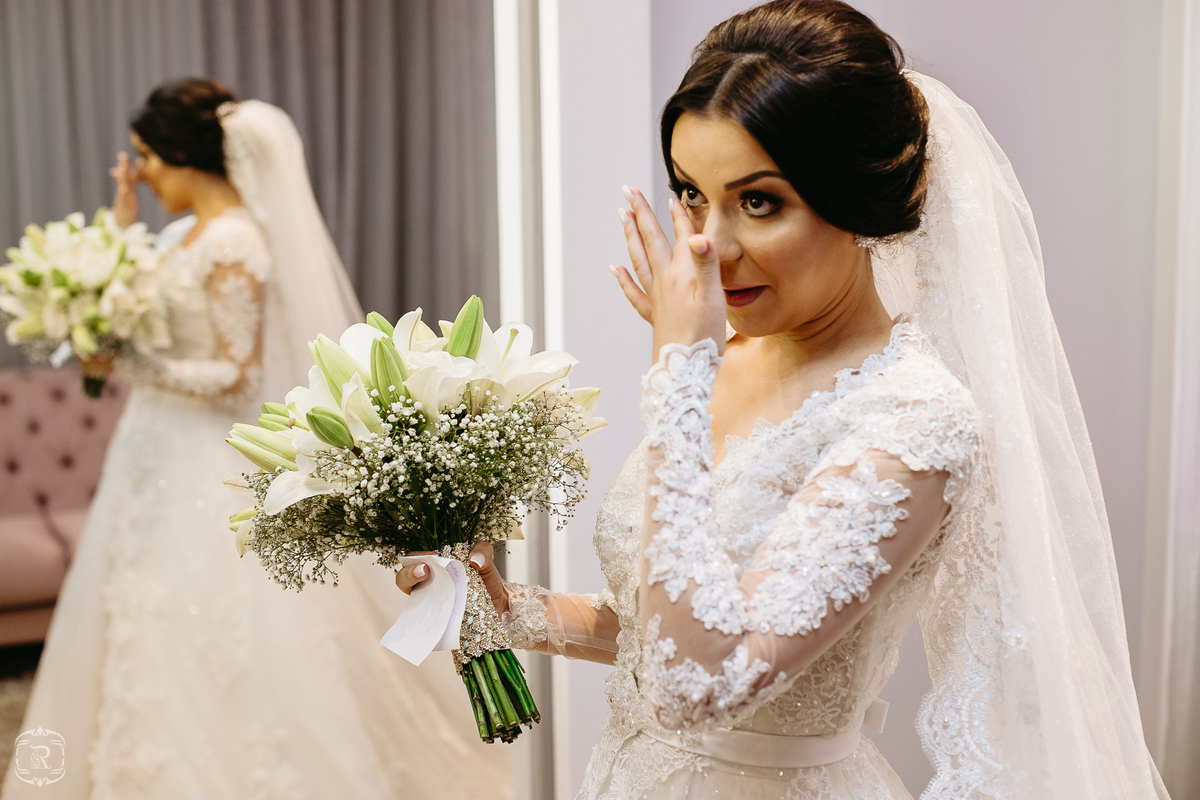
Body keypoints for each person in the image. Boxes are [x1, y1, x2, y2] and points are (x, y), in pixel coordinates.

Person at [400, 2, 1170, 797]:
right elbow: (668, 625)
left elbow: (698, 682)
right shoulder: (726, 358)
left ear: (857, 201)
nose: (711, 246)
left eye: (759, 201)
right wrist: (507, 611)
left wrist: (677, 370)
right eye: (691, 193)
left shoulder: (914, 422)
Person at [3, 78, 508, 799]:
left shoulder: (236, 240)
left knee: (219, 622)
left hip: (207, 459)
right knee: (137, 611)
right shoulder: (177, 235)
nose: (139, 171)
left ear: (185, 155)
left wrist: (127, 365)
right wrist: (117, 232)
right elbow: (139, 313)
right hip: (150, 447)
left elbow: (238, 379)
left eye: (147, 155)